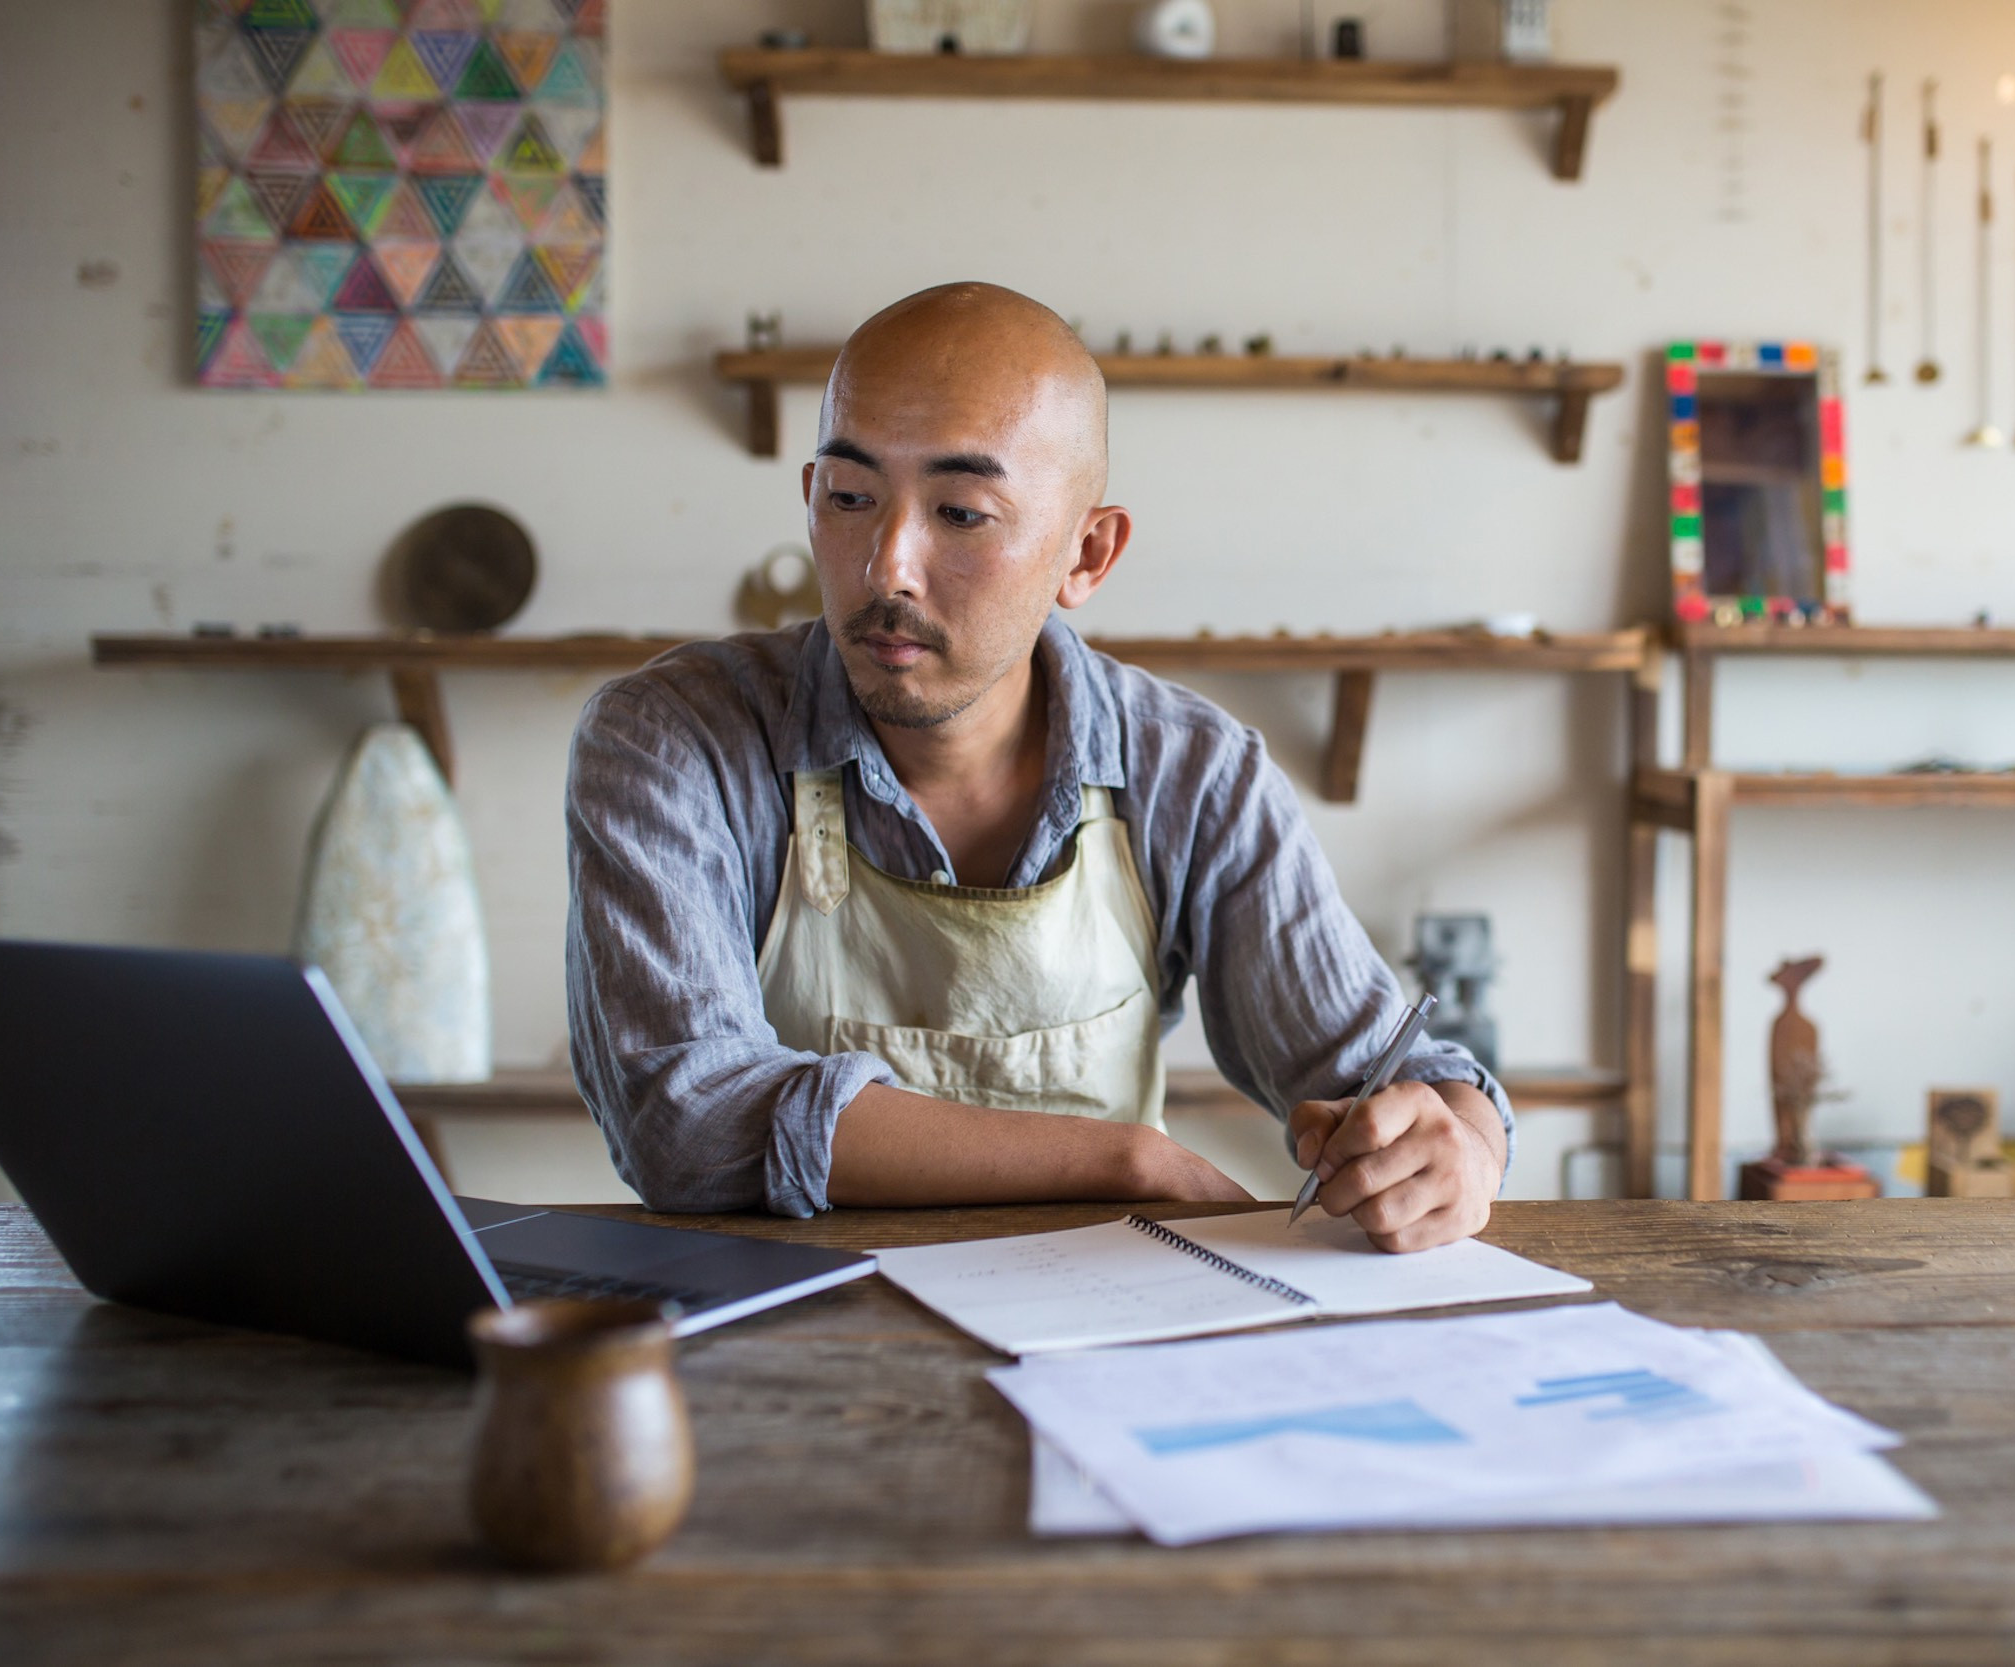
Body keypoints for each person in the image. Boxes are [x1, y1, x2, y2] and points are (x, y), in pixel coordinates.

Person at [565, 282, 1509, 1252]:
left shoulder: (1193, 771)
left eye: (961, 512)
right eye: (850, 499)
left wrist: (1456, 1143)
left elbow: (1379, 1070)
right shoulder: (671, 739)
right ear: (810, 500)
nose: (887, 565)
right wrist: (1120, 1159)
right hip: (779, 1349)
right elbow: (683, 1111)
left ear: (1086, 552)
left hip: (1098, 1343)